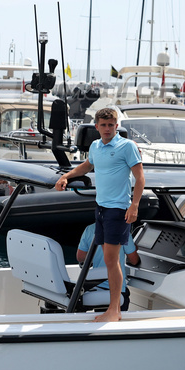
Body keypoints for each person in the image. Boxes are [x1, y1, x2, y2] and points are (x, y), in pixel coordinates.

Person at [54, 107, 144, 322]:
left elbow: (140, 178)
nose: (107, 128)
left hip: (118, 210)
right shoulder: (95, 146)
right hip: (101, 209)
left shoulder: (127, 146)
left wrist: (135, 206)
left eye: (111, 125)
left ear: (116, 126)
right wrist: (66, 176)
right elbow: (86, 166)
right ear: (96, 127)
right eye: (103, 125)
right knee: (107, 258)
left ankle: (115, 310)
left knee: (112, 261)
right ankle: (113, 308)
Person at [76, 221, 141, 311]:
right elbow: (134, 261)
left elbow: (80, 257)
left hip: (97, 287)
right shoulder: (123, 230)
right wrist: (134, 248)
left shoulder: (89, 229)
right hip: (117, 290)